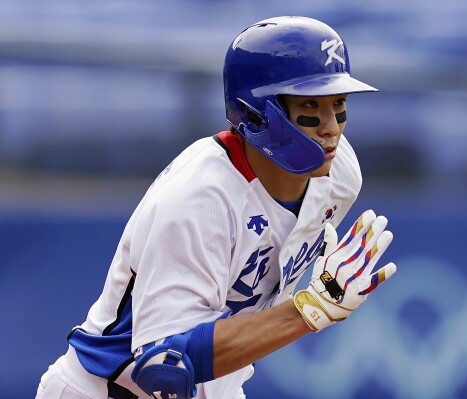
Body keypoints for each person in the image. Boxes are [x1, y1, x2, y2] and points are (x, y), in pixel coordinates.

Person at [36, 15, 397, 399]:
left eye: (338, 104)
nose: (332, 127)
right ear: (260, 111)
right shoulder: (201, 196)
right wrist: (309, 308)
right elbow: (163, 366)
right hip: (105, 390)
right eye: (311, 104)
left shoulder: (340, 176)